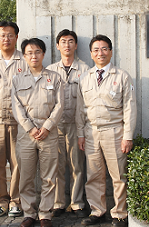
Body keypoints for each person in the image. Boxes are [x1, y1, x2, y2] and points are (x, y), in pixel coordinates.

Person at [76, 35, 137, 227]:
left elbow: (130, 107)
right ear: (91, 53)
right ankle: (97, 211)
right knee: (93, 175)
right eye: (96, 49)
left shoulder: (122, 76)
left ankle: (120, 213)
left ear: (110, 51)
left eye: (104, 49)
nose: (100, 53)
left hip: (115, 132)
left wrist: (128, 136)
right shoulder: (85, 77)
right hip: (91, 132)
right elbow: (80, 108)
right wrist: (80, 134)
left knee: (118, 175)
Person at [12, 38, 64, 227]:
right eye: (29, 53)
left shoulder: (55, 77)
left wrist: (47, 126)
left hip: (48, 134)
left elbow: (60, 105)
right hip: (26, 135)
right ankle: (29, 213)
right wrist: (31, 128)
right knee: (26, 176)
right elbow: (16, 107)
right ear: (24, 56)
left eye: (37, 52)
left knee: (49, 177)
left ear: (43, 54)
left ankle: (45, 214)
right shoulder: (17, 79)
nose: (34, 56)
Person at [0, 21, 28, 218]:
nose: (6, 38)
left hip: (19, 122)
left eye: (10, 35)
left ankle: (16, 201)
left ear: (16, 37)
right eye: (2, 35)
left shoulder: (25, 60)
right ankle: (1, 201)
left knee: (18, 163)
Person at [45, 29, 90, 218]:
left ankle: (77, 203)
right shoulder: (51, 70)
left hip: (75, 124)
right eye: (63, 41)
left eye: (71, 41)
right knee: (57, 165)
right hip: (55, 126)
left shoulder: (85, 69)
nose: (67, 45)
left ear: (76, 45)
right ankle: (58, 203)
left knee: (77, 166)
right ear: (57, 45)